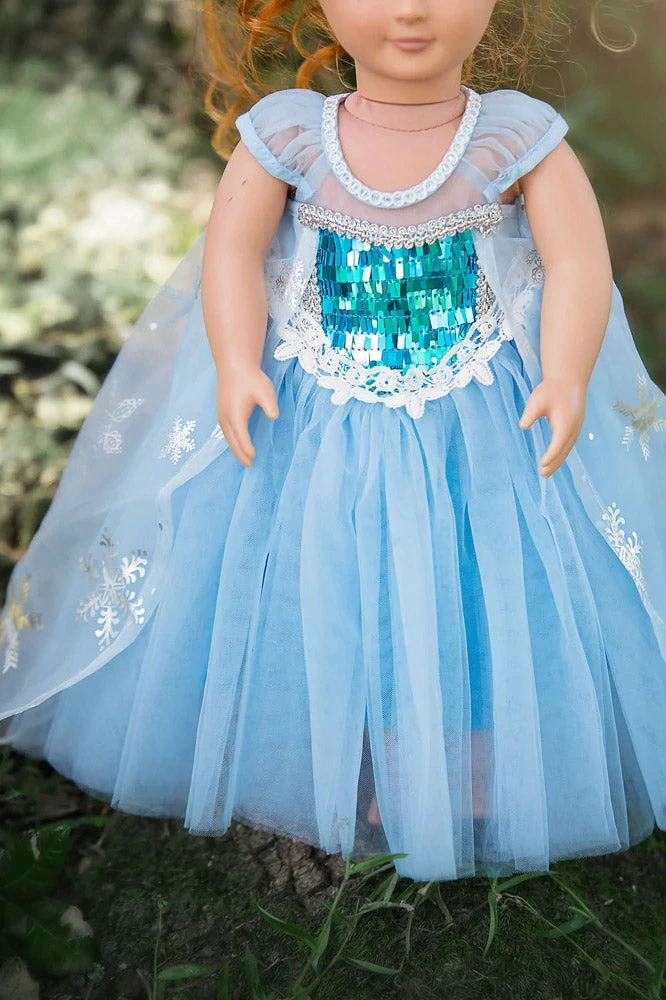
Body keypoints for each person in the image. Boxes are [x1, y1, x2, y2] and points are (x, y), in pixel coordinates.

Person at [1, 0, 665, 883]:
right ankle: (327, 746)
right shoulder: (289, 136)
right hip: (316, 414)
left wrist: (568, 372)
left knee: (473, 574)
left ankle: (469, 757)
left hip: (477, 417)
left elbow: (578, 260)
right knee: (317, 571)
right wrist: (237, 364)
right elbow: (232, 254)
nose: (411, 9)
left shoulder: (516, 137)